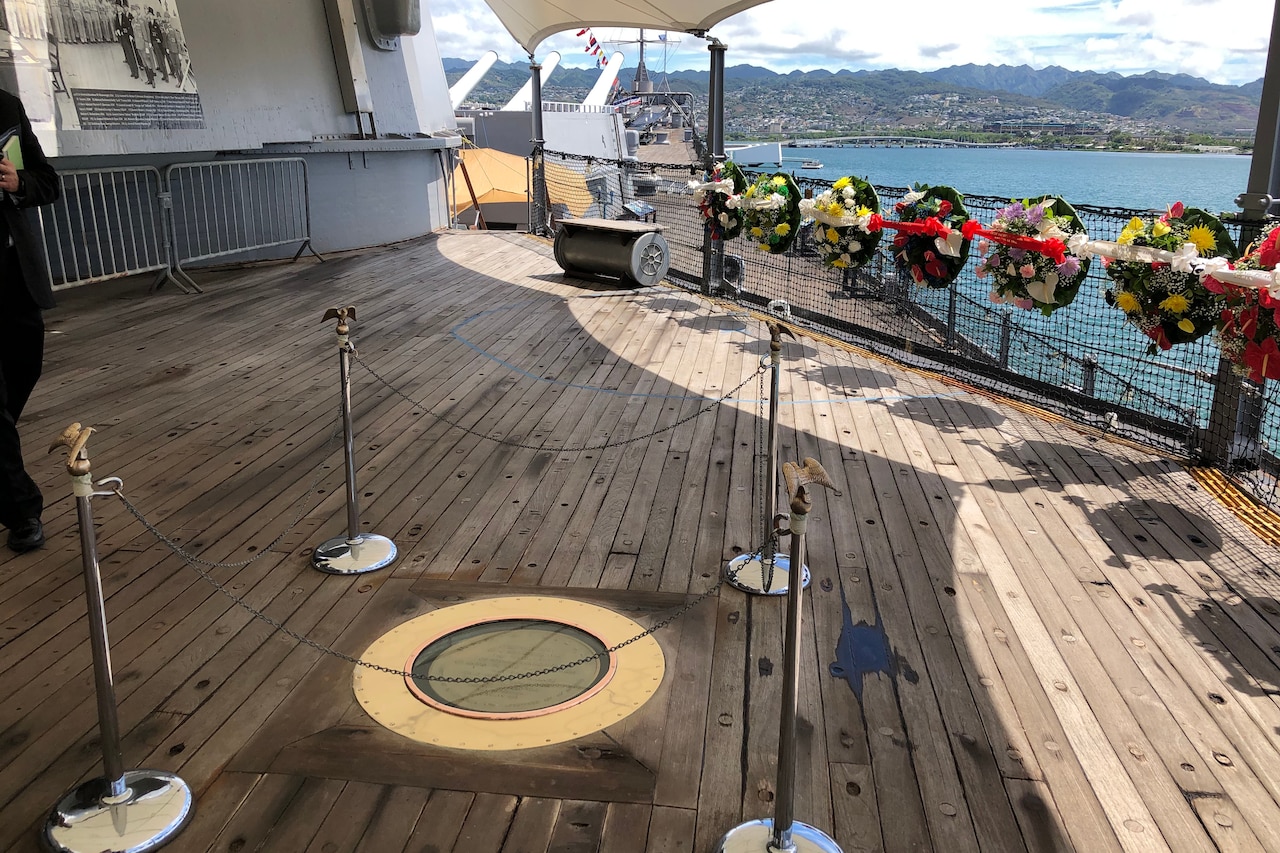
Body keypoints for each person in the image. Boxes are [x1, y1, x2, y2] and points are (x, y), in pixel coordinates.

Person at [1, 89, 60, 553]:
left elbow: (48, 181)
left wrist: (18, 183)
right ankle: (23, 510)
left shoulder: (6, 105)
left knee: (25, 371)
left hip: (15, 276)